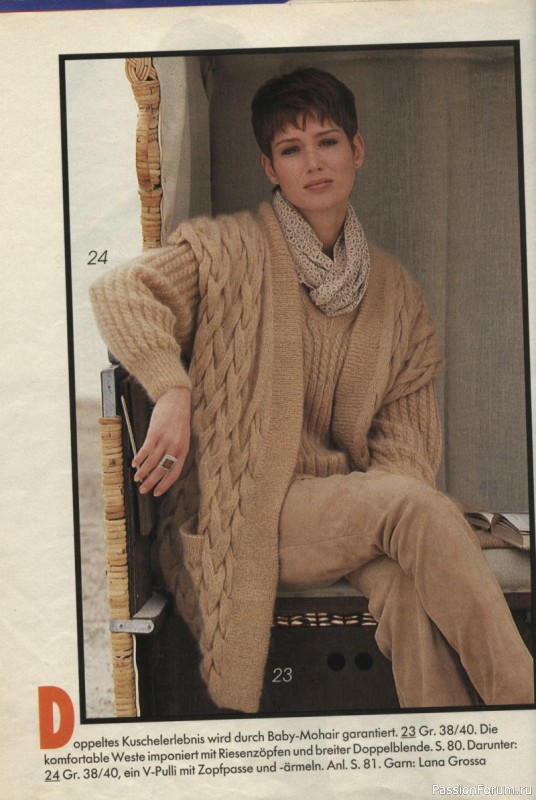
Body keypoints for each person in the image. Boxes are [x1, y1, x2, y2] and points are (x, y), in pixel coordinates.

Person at [90, 67, 534, 713]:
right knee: (411, 508)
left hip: (347, 515)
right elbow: (121, 292)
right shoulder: (228, 250)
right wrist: (172, 390)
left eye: (327, 142)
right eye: (291, 149)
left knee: (408, 587)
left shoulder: (396, 294)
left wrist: (365, 512)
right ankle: (525, 707)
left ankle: (451, 748)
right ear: (270, 168)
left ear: (357, 149)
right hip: (245, 512)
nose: (314, 163)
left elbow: (405, 454)